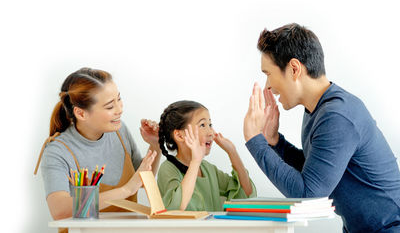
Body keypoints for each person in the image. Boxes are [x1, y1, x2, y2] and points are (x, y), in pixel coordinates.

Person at [243, 23, 400, 232]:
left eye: (268, 73)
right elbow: (316, 171)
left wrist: (255, 141)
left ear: (294, 69)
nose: (268, 86)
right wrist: (275, 142)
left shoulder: (337, 115)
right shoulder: (318, 110)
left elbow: (308, 194)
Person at [34, 67, 161, 224]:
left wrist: (155, 145)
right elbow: (60, 211)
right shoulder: (57, 151)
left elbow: (140, 180)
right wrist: (126, 190)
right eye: (109, 106)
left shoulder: (119, 132)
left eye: (119, 99)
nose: (120, 109)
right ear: (81, 113)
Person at [157, 100, 256, 211]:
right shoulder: (168, 169)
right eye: (202, 125)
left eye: (210, 125)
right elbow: (176, 208)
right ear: (180, 135)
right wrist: (195, 162)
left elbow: (246, 194)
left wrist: (232, 152)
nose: (210, 132)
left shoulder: (208, 169)